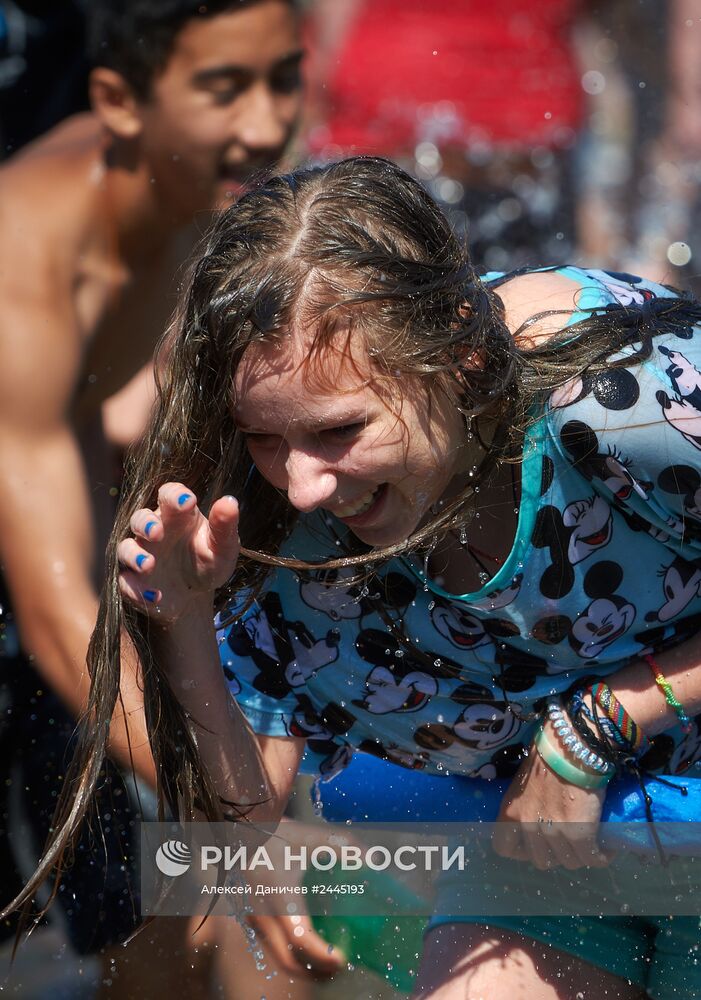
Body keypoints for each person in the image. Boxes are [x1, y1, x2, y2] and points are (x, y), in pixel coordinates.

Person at [16, 155, 701, 998]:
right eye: (266, 438)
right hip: (546, 852)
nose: (301, 483)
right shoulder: (280, 522)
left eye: (340, 429)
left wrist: (604, 722)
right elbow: (247, 815)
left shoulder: (621, 402)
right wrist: (187, 621)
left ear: (458, 352)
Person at [0, 0, 306, 991]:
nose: (266, 126)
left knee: (162, 913)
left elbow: (99, 423)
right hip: (32, 603)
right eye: (224, 91)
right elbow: (53, 615)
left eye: (283, 79)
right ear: (116, 102)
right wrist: (232, 801)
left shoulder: (192, 187)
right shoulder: (27, 268)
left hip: (46, 531)